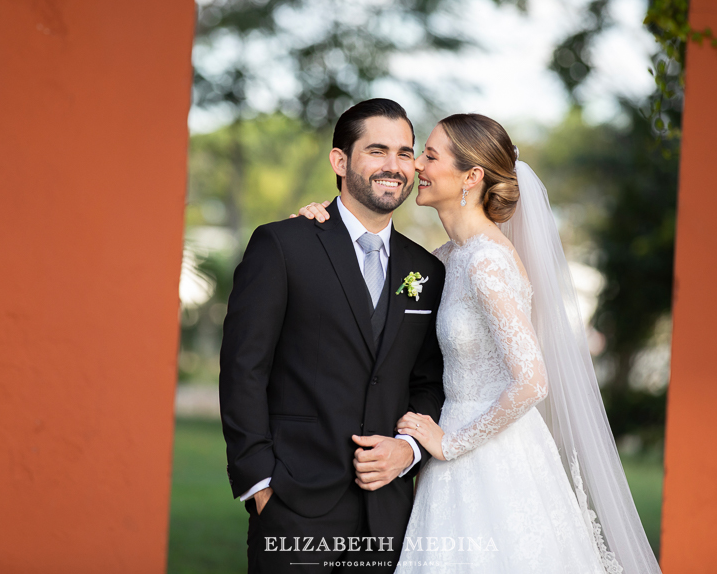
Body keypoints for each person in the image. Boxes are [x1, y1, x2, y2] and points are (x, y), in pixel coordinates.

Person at [296, 113, 663, 573]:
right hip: (446, 453)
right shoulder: (445, 259)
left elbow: (531, 381)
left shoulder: (487, 263)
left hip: (489, 461)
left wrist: (450, 444)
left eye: (429, 155)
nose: (417, 167)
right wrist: (318, 228)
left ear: (471, 177)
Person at [219, 98, 446, 574]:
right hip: (293, 506)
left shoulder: (426, 269)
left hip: (388, 516)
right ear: (340, 161)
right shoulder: (282, 245)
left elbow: (428, 381)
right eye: (377, 150)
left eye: (405, 153)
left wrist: (407, 451)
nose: (394, 166)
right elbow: (244, 369)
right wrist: (260, 484)